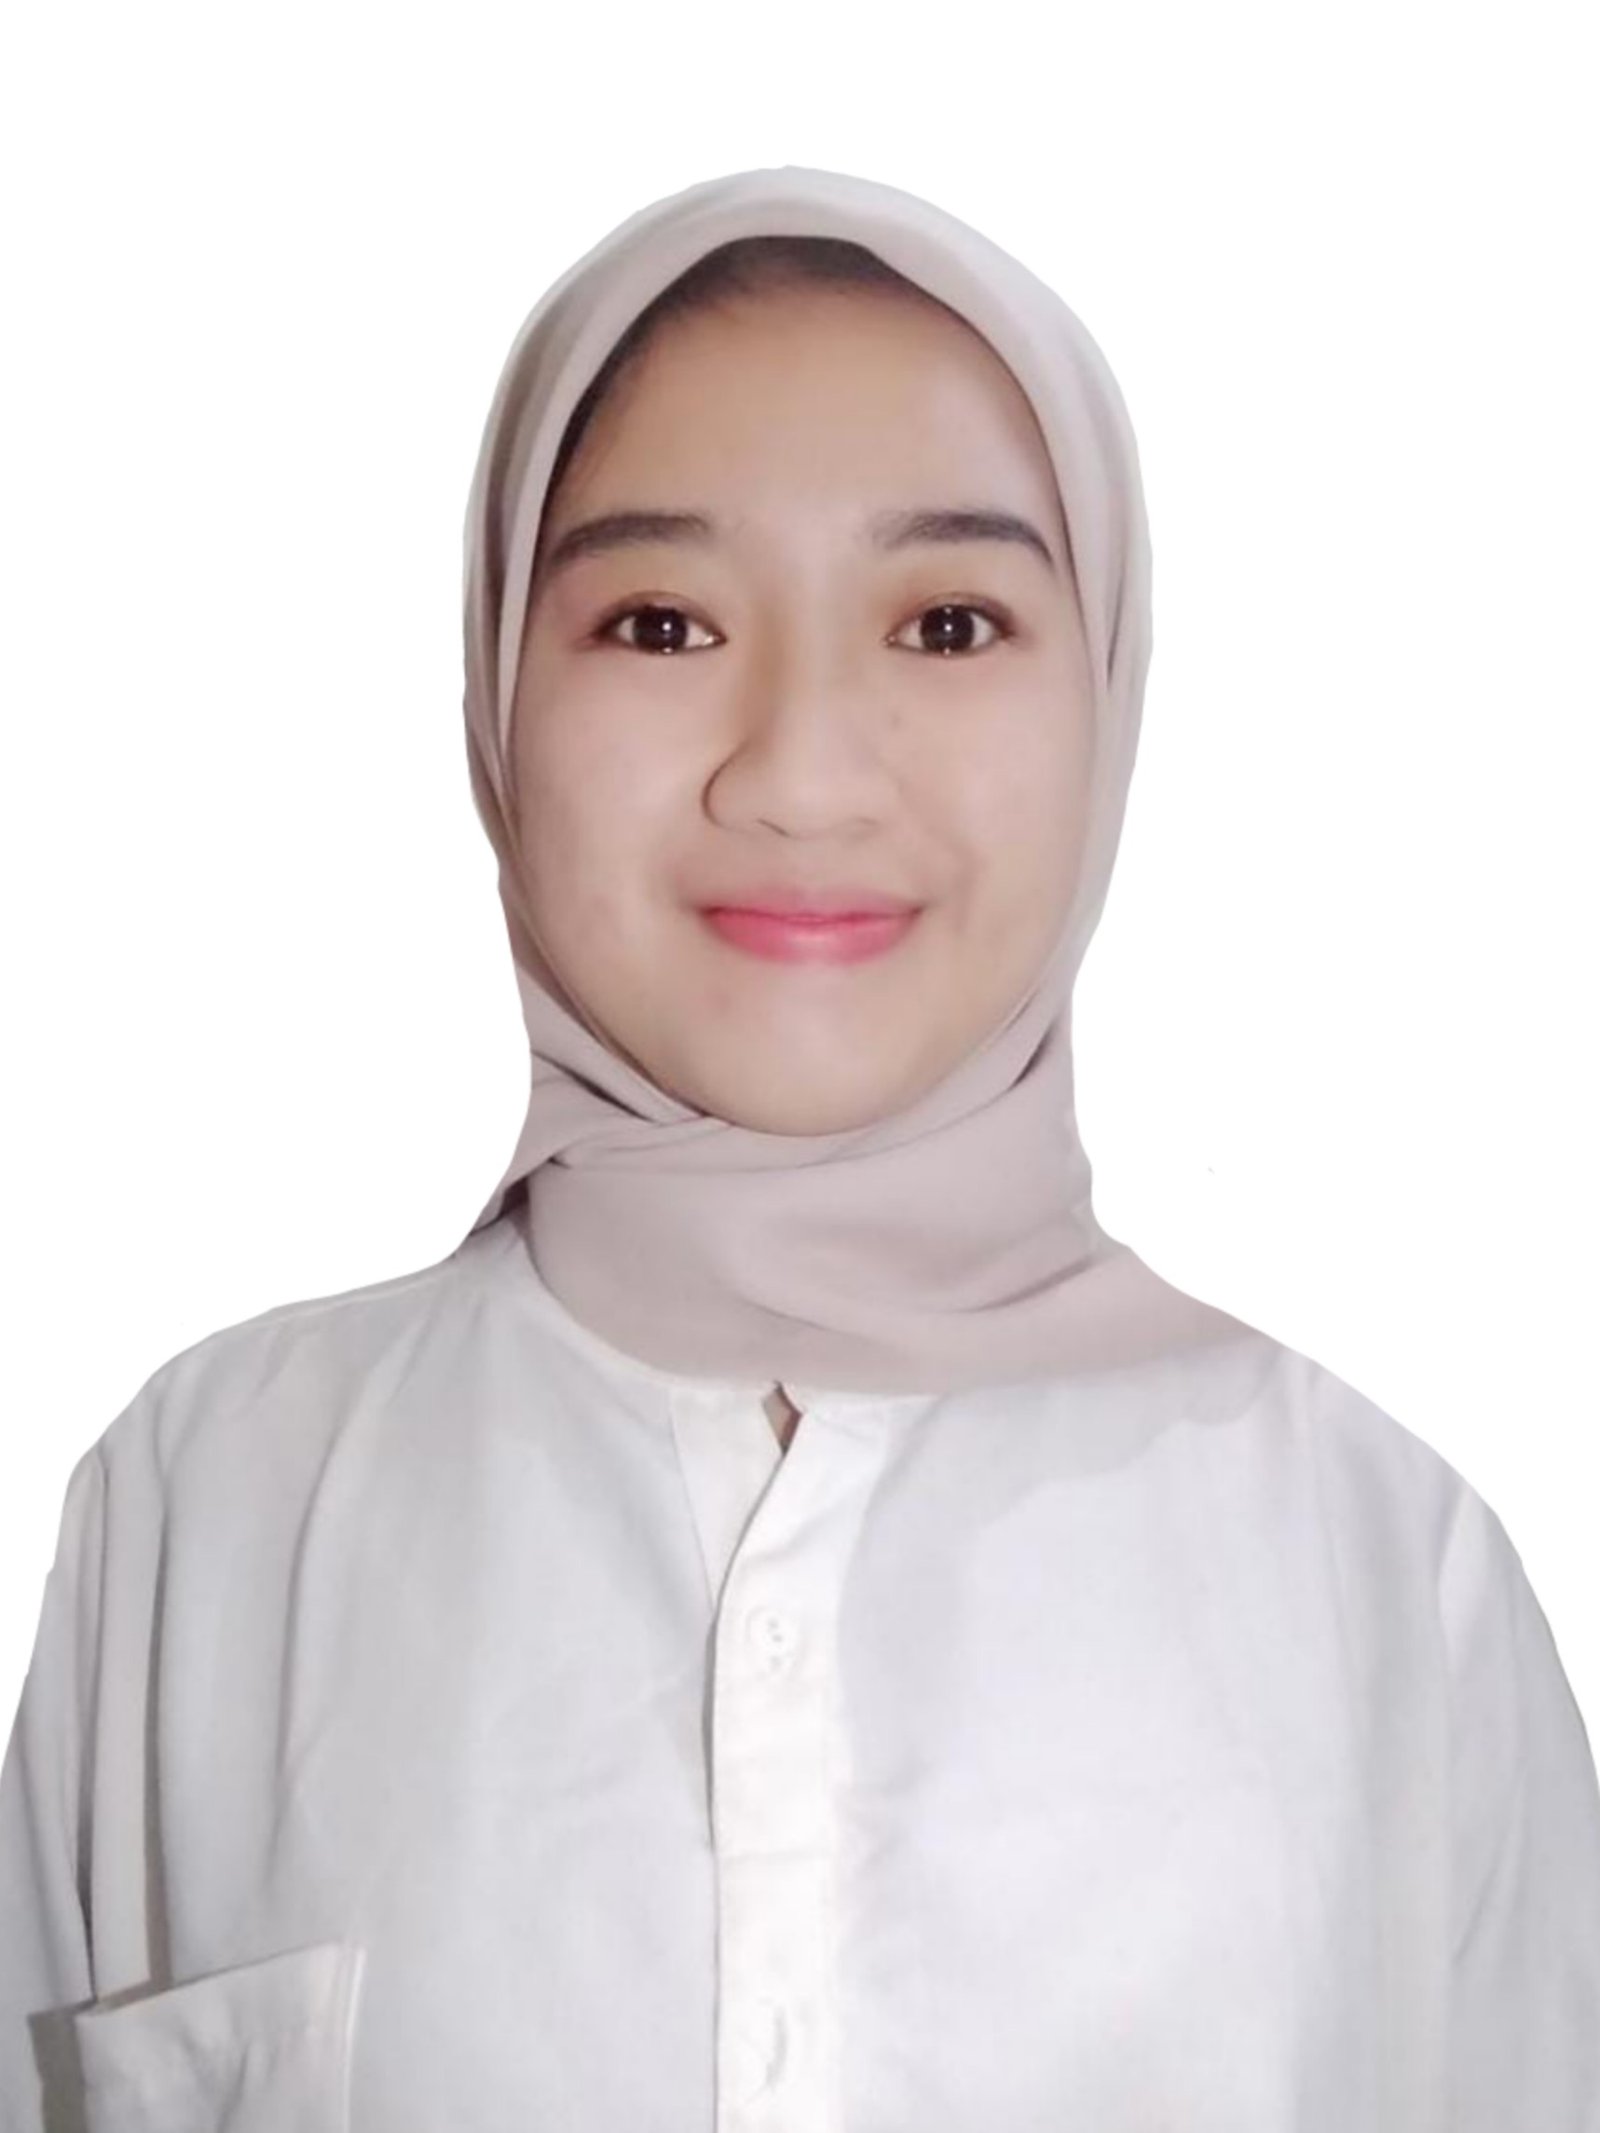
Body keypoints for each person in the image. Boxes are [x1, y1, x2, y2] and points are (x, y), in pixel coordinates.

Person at [2, 162, 1597, 2133]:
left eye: (948, 621)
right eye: (662, 619)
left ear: (1109, 688)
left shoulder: (1387, 1574)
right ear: (496, 690)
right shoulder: (205, 1502)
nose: (801, 772)